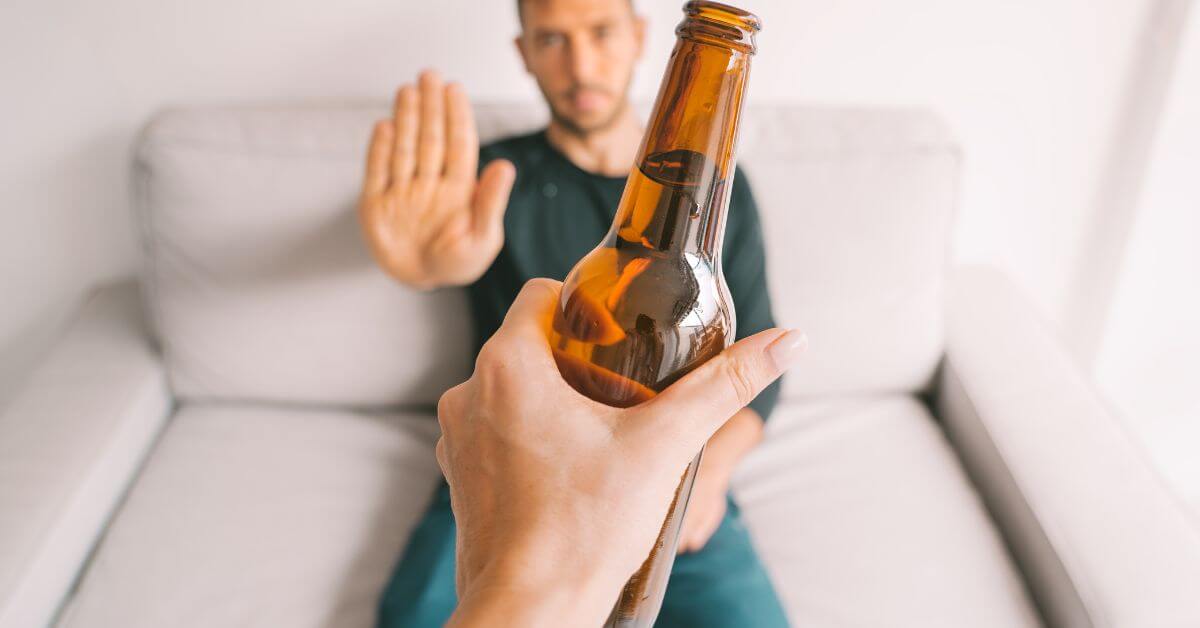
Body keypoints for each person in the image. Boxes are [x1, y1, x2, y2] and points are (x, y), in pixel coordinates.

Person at [358, 0, 786, 624]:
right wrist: (421, 267)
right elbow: (447, 253)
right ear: (525, 53)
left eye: (600, 33)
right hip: (513, 456)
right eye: (553, 40)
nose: (581, 65)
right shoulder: (493, 176)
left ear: (638, 38)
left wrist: (711, 474)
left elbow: (758, 369)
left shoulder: (720, 191)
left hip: (667, 468)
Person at [435, 279, 807, 626]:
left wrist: (706, 474)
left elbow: (759, 378)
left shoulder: (722, 242)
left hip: (682, 474)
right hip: (505, 456)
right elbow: (443, 262)